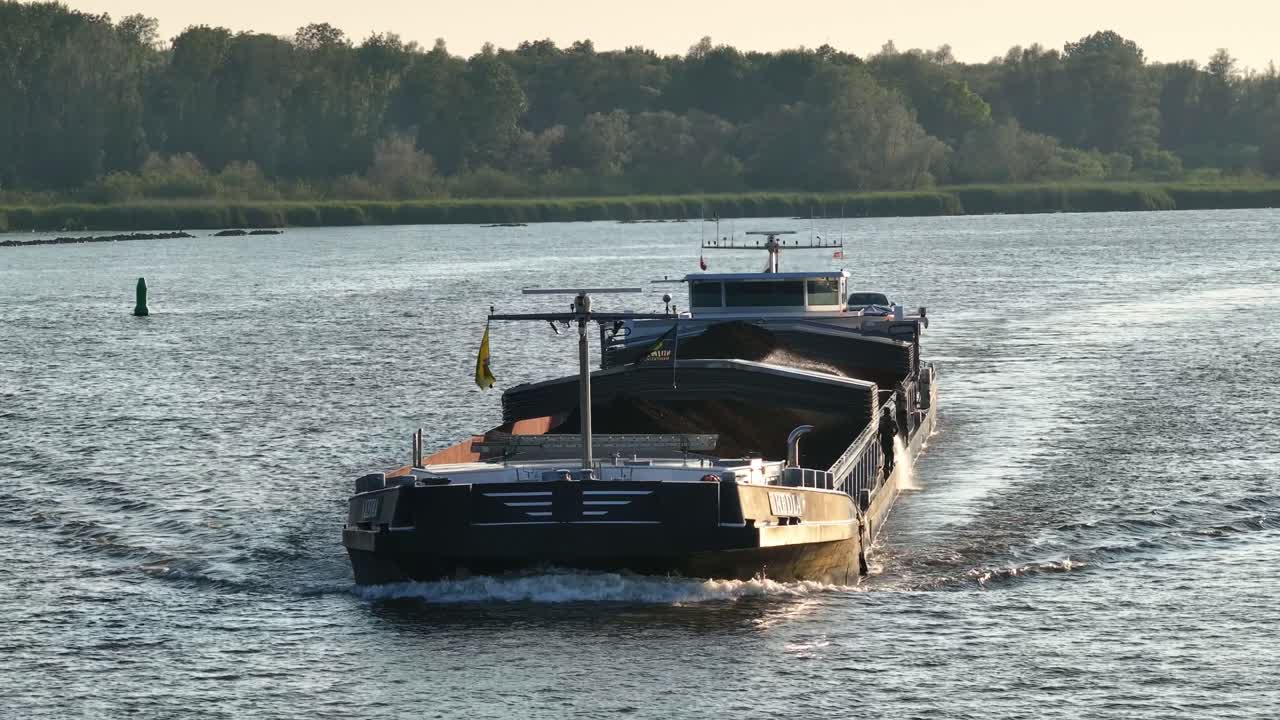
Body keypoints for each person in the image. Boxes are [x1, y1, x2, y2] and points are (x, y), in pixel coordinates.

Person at [879, 406, 898, 479]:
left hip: (884, 438)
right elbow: (897, 429)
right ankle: (891, 464)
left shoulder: (882, 419)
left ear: (884, 412)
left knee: (886, 452)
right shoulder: (892, 421)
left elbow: (880, 429)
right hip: (890, 437)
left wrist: (878, 436)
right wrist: (893, 434)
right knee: (890, 451)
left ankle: (886, 466)